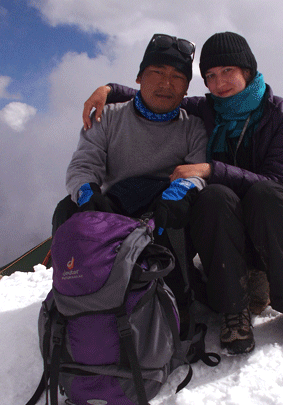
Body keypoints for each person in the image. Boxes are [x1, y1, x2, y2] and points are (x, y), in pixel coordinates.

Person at [82, 32, 283, 355]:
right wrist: (109, 90)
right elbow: (161, 96)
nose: (219, 82)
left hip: (275, 223)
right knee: (213, 197)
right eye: (210, 75)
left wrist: (210, 169)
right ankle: (233, 310)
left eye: (227, 71)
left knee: (266, 193)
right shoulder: (206, 110)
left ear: (247, 71)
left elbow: (280, 180)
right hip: (226, 228)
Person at [53, 33, 208, 312]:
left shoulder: (193, 127)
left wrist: (179, 192)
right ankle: (80, 299)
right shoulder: (107, 116)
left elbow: (197, 169)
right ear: (138, 78)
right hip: (116, 203)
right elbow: (85, 163)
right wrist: (88, 193)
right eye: (156, 72)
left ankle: (175, 300)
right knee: (67, 211)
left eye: (177, 77)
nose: (165, 83)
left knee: (181, 213)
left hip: (163, 205)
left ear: (186, 89)